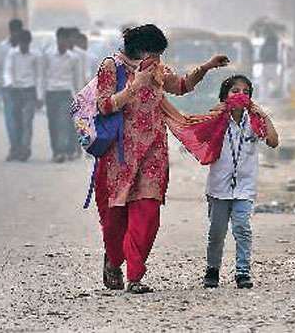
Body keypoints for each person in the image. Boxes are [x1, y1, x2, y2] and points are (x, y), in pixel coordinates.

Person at [94, 24, 229, 294]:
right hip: (119, 154)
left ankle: (135, 276)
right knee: (115, 219)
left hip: (153, 151)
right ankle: (113, 260)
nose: (156, 59)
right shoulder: (112, 67)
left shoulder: (156, 68)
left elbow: (180, 86)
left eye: (158, 54)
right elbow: (104, 105)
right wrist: (136, 86)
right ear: (138, 49)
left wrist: (206, 67)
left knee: (147, 213)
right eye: (153, 52)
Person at [203, 75, 279, 290]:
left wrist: (263, 115)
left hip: (245, 187)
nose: (240, 95)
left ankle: (243, 271)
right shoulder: (218, 119)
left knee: (242, 228)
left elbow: (273, 142)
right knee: (216, 232)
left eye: (245, 92)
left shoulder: (254, 122)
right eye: (235, 91)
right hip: (219, 187)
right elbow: (200, 137)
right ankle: (212, 269)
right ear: (225, 95)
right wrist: (213, 114)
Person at [40, 27, 80, 163]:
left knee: (63, 121)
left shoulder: (74, 58)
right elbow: (42, 76)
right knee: (53, 123)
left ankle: (62, 151)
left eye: (66, 39)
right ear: (57, 39)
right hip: (51, 92)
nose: (63, 42)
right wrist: (40, 96)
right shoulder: (48, 55)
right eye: (61, 39)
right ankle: (56, 150)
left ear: (69, 41)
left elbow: (77, 79)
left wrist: (79, 97)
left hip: (66, 92)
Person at [3, 30, 42, 161]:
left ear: (29, 43)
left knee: (27, 122)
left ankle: (25, 149)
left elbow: (39, 76)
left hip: (29, 91)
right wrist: (9, 83)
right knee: (16, 122)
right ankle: (15, 148)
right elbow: (7, 70)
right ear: (19, 43)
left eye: (26, 44)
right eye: (22, 44)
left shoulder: (35, 55)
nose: (24, 46)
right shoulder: (12, 54)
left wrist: (39, 96)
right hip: (15, 91)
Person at [0, 19, 23, 158]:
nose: (16, 34)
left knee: (21, 119)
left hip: (23, 88)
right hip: (8, 88)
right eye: (14, 32)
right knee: (10, 119)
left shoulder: (26, 46)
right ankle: (14, 147)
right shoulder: (2, 46)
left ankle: (22, 146)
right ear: (11, 31)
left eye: (18, 32)